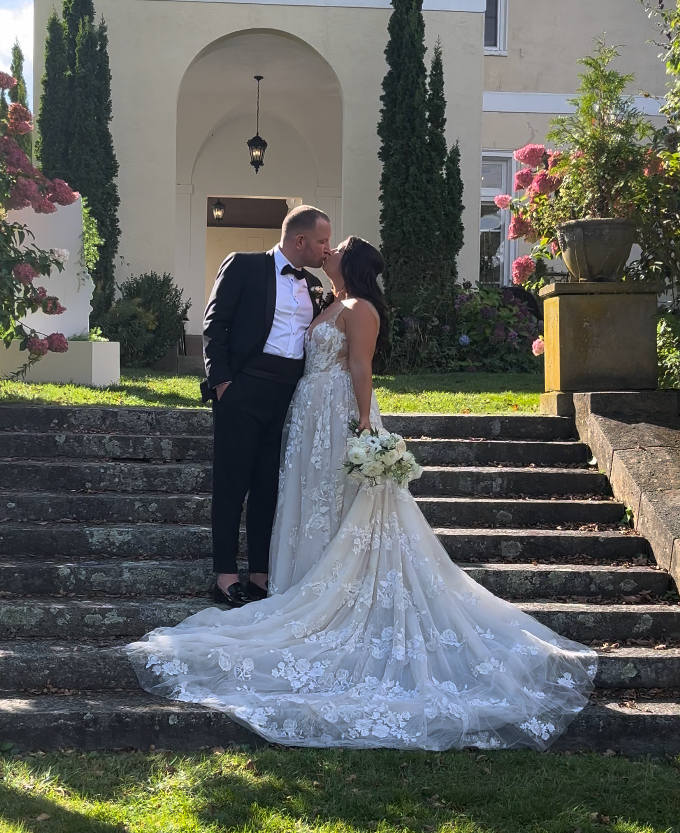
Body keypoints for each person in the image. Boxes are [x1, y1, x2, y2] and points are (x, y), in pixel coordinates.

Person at [126, 237, 596, 751]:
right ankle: (301, 579)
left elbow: (361, 369)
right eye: (324, 242)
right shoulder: (326, 300)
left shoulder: (360, 308)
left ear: (350, 263)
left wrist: (366, 428)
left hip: (338, 417)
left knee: (338, 501)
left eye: (337, 246)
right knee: (310, 500)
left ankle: (334, 589)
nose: (328, 249)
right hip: (307, 416)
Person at [201, 205, 332, 608]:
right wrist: (223, 384)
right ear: (300, 241)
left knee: (269, 487)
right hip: (243, 389)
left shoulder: (313, 284)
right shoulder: (244, 265)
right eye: (322, 241)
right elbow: (215, 323)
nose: (327, 249)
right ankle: (225, 576)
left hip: (288, 395)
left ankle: (260, 573)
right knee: (231, 483)